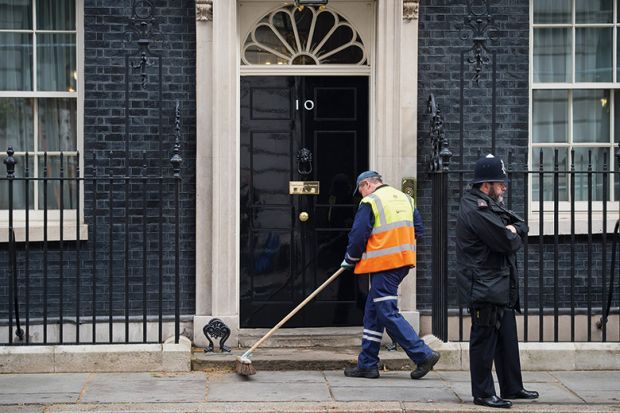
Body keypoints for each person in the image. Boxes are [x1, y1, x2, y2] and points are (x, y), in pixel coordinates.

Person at [455, 154, 539, 409]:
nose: (504, 186)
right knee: (484, 340)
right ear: (485, 184)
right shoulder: (477, 209)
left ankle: (512, 386)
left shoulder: (488, 204)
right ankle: (482, 393)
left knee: (506, 339)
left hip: (497, 284)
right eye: (499, 182)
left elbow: (520, 226)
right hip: (484, 285)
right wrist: (511, 232)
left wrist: (514, 230)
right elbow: (507, 242)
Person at [341, 170, 440, 379]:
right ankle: (367, 363)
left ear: (367, 184)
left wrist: (350, 259)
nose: (360, 194)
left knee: (386, 312)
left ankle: (422, 355)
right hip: (401, 263)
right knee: (373, 311)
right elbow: (418, 231)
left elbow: (359, 235)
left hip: (384, 265)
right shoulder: (406, 199)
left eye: (360, 190)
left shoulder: (370, 202)